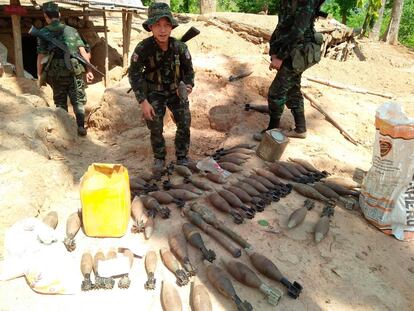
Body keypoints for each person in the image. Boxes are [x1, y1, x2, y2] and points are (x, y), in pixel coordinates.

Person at [129, 2, 194, 172]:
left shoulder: (180, 47)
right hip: (154, 91)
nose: (162, 30)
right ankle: (159, 157)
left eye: (166, 25)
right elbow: (134, 75)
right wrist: (143, 102)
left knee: (185, 121)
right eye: (157, 25)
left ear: (172, 26)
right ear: (150, 27)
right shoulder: (143, 48)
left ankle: (182, 156)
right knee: (155, 125)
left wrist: (187, 86)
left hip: (175, 91)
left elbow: (189, 72)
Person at [254, 0, 325, 141]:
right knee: (292, 89)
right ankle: (300, 129)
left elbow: (298, 32)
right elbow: (282, 25)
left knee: (276, 93)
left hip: (300, 52)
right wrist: (274, 50)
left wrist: (280, 56)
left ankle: (271, 131)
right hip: (291, 50)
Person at [36, 1, 94, 136]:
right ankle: (80, 127)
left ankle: (65, 132)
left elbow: (41, 56)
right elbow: (83, 52)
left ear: (45, 16)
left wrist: (39, 75)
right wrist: (89, 70)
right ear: (59, 15)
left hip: (56, 72)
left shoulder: (43, 32)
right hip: (75, 70)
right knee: (78, 100)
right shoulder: (72, 30)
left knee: (60, 101)